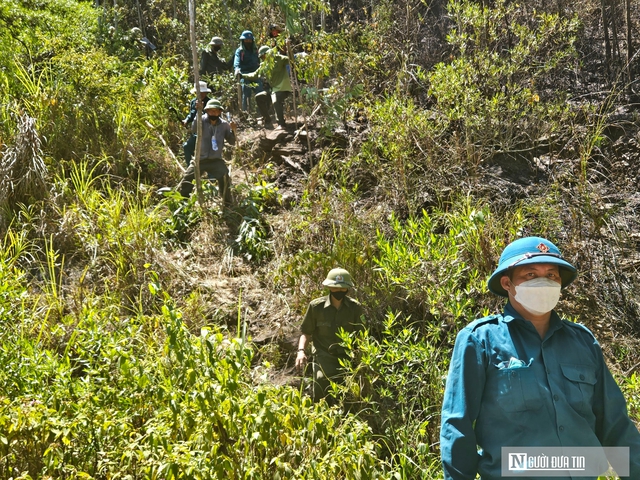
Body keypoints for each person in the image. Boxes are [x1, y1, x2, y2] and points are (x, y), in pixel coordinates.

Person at [440, 236, 640, 480]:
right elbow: (457, 428)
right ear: (507, 283)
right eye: (531, 275)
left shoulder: (583, 342)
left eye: (551, 275)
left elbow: (615, 425)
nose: (544, 282)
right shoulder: (480, 340)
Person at [295, 268, 364, 404]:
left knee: (350, 394)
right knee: (321, 385)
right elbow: (306, 333)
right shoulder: (316, 307)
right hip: (323, 356)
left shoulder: (355, 308)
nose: (338, 292)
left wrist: (362, 361)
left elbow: (361, 336)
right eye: (335, 288)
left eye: (342, 289)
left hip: (347, 357)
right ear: (329, 288)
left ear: (347, 289)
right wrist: (301, 351)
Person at [176, 98, 236, 202]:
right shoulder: (201, 120)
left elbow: (232, 141)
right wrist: (198, 112)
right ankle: (183, 202)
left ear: (220, 112)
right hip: (199, 159)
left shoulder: (224, 125)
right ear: (207, 111)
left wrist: (233, 130)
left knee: (225, 177)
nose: (214, 113)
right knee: (187, 178)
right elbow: (194, 129)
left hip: (215, 160)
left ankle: (227, 203)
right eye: (211, 110)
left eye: (216, 111)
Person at [242, 43, 293, 129]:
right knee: (259, 97)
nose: (263, 58)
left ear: (269, 53)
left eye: (264, 56)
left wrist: (289, 48)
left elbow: (291, 60)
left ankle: (281, 124)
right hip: (273, 90)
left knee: (276, 100)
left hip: (283, 88)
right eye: (262, 57)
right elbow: (255, 75)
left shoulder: (279, 58)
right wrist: (242, 75)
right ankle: (268, 120)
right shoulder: (264, 65)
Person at [182, 81, 212, 167]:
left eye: (203, 92)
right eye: (199, 92)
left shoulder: (210, 103)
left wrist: (201, 109)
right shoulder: (193, 102)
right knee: (187, 146)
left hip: (208, 133)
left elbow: (212, 117)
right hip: (197, 133)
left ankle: (211, 175)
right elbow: (192, 114)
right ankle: (190, 169)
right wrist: (186, 120)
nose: (201, 94)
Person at [233, 30, 263, 112]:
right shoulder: (240, 51)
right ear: (243, 41)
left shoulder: (255, 50)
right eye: (246, 40)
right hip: (244, 74)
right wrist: (237, 70)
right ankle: (245, 113)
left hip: (255, 74)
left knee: (260, 91)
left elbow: (260, 61)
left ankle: (261, 113)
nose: (248, 42)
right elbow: (236, 63)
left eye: (249, 40)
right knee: (246, 92)